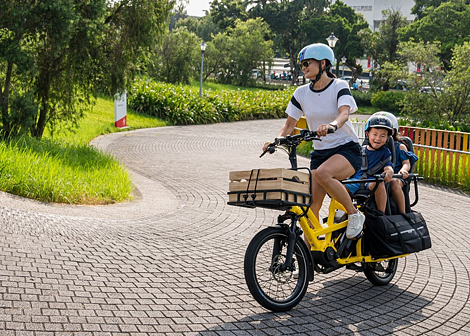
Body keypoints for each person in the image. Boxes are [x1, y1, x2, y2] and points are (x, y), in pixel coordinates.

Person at [262, 43, 364, 239]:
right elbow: (289, 125)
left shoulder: (339, 86)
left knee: (323, 174)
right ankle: (308, 257)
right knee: (310, 208)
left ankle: (354, 214)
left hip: (346, 150)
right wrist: (276, 140)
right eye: (302, 65)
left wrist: (332, 125)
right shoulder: (301, 93)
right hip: (320, 153)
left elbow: (344, 114)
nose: (304, 68)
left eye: (307, 63)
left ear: (323, 63)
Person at [370, 112, 418, 213]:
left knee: (394, 183)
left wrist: (403, 171)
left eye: (383, 133)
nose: (378, 137)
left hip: (396, 176)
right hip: (379, 176)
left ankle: (403, 213)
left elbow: (406, 163)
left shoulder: (400, 146)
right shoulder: (372, 147)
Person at [346, 116, 394, 213]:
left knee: (379, 184)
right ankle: (344, 211)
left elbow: (388, 165)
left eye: (382, 136)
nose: (378, 138)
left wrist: (389, 170)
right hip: (356, 181)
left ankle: (380, 213)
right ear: (367, 134)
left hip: (372, 182)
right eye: (375, 134)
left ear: (387, 138)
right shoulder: (360, 150)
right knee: (338, 187)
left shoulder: (385, 152)